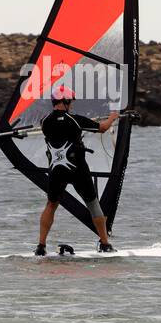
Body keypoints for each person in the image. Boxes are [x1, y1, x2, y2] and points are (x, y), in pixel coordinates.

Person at [36, 86, 120, 255]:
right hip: (77, 168)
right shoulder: (75, 120)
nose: (72, 105)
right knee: (92, 202)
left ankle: (41, 246)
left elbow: (58, 128)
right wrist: (113, 117)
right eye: (70, 102)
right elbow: (102, 128)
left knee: (51, 204)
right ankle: (104, 243)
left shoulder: (44, 121)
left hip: (56, 169)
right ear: (65, 102)